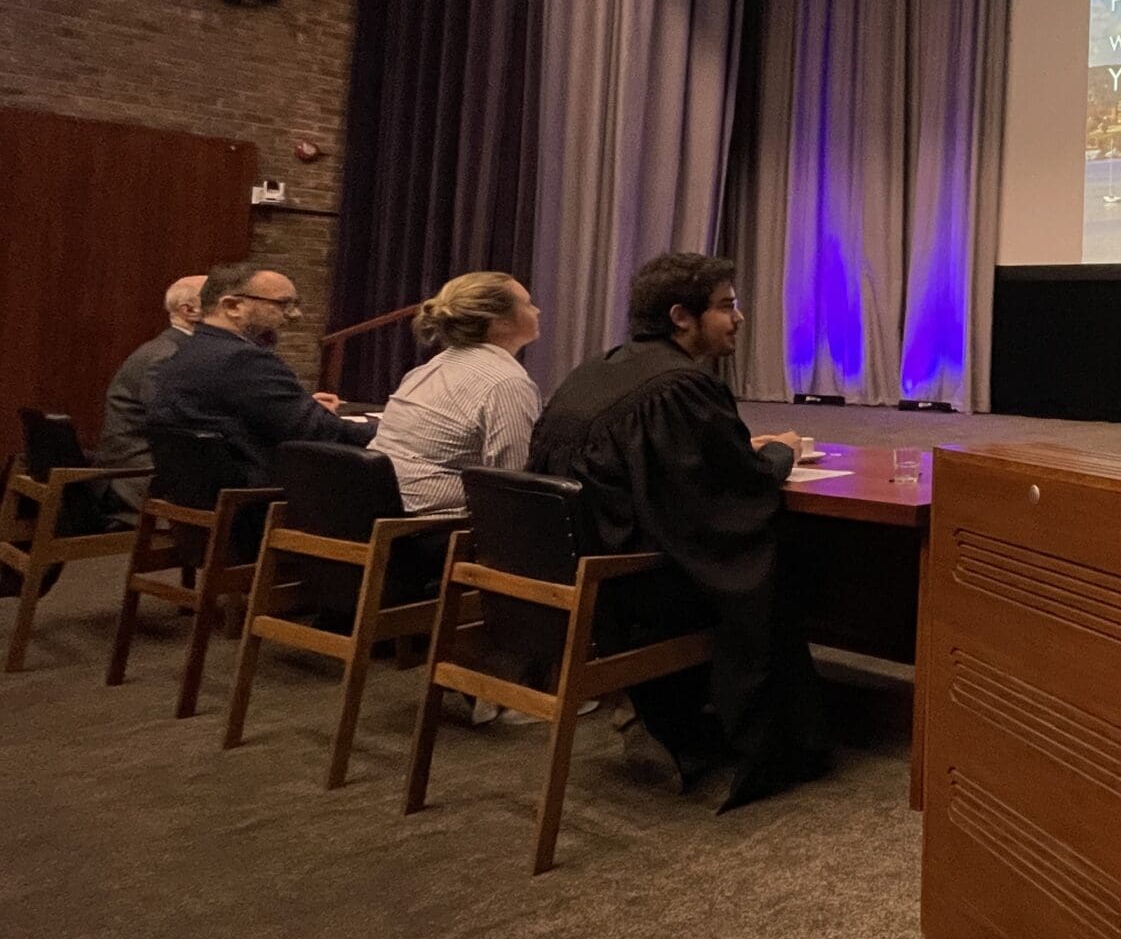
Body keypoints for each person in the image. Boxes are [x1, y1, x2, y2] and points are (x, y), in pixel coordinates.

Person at [527, 252, 826, 808]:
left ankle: (672, 717)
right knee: (789, 558)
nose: (738, 318)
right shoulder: (680, 386)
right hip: (632, 590)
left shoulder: (597, 369)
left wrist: (734, 449)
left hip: (573, 573)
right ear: (681, 316)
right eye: (725, 306)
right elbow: (729, 491)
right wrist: (780, 453)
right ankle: (778, 741)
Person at [147, 262, 375, 484]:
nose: (295, 315)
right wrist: (387, 430)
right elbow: (318, 431)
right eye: (283, 304)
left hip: (193, 488)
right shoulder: (243, 359)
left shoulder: (191, 348)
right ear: (232, 306)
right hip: (251, 494)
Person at [367, 272, 542, 514]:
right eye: (528, 304)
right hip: (428, 525)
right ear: (500, 322)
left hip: (372, 508)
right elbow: (512, 483)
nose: (537, 311)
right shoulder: (507, 383)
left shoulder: (428, 369)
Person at [95, 275, 206, 515]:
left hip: (142, 469)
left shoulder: (169, 348)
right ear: (189, 310)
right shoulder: (168, 355)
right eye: (218, 300)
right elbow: (175, 426)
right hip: (138, 478)